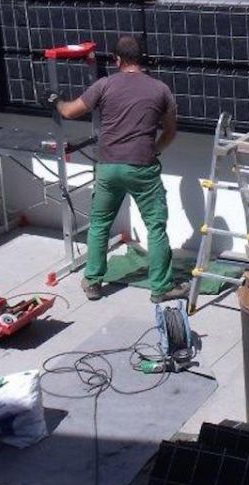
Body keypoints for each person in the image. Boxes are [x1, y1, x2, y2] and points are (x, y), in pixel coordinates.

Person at [54, 36, 186, 303]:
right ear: (141, 60)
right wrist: (155, 150)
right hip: (143, 168)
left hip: (108, 167)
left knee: (100, 224)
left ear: (117, 60)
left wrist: (55, 100)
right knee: (155, 227)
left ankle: (92, 282)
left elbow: (70, 111)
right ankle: (161, 288)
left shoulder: (104, 85)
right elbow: (171, 131)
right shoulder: (161, 90)